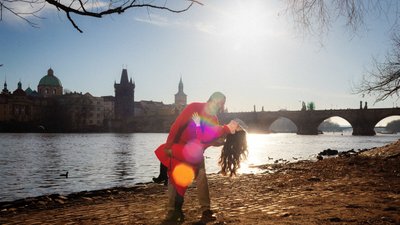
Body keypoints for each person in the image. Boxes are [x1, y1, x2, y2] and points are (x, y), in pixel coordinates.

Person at [154, 92, 239, 223]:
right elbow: (176, 126)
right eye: (220, 104)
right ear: (212, 100)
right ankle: (172, 211)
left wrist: (221, 143)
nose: (221, 108)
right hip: (179, 148)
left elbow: (208, 140)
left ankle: (206, 211)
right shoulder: (193, 108)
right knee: (174, 179)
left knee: (202, 177)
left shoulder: (214, 120)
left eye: (222, 105)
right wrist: (169, 146)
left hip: (196, 153)